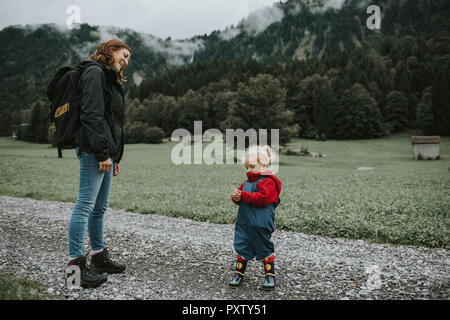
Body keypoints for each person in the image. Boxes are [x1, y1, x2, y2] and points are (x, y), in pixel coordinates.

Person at [66, 39, 131, 288]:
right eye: (122, 54)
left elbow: (113, 122)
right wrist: (103, 153)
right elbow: (91, 115)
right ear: (110, 51)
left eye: (128, 58)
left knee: (99, 208)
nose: (125, 60)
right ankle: (75, 270)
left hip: (105, 154)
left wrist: (115, 156)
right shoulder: (94, 72)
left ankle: (98, 257)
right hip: (94, 151)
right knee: (84, 207)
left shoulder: (109, 79)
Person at [229, 145, 281, 290]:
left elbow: (262, 199)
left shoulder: (269, 181)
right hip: (245, 222)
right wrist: (236, 197)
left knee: (264, 247)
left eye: (251, 166)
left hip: (261, 223)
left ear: (263, 164)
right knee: (242, 245)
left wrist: (244, 195)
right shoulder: (247, 182)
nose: (248, 170)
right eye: (246, 167)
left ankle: (270, 275)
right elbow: (241, 197)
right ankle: (239, 273)